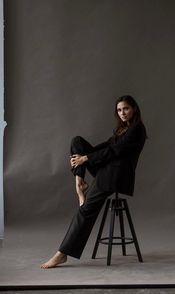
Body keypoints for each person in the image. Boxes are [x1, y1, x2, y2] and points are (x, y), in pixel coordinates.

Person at [40, 95, 147, 268]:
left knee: (85, 210)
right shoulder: (122, 129)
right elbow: (106, 146)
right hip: (107, 170)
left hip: (116, 176)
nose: (122, 113)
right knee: (77, 142)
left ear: (134, 108)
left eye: (126, 108)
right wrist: (83, 157)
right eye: (119, 110)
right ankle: (79, 182)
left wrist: (86, 159)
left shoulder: (137, 130)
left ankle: (62, 254)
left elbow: (114, 151)